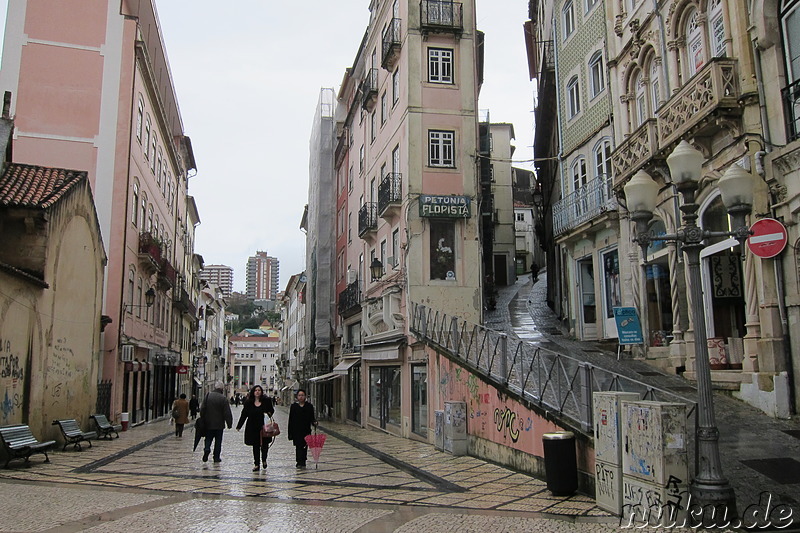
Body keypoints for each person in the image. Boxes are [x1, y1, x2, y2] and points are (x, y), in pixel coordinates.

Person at [236, 385, 275, 472]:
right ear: (253, 392)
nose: (257, 392)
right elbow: (244, 415)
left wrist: (268, 414)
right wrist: (239, 426)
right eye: (256, 390)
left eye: (259, 390)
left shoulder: (266, 401)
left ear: (261, 392)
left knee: (265, 445)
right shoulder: (248, 403)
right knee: (255, 446)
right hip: (252, 427)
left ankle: (264, 459)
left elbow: (271, 410)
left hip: (264, 426)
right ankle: (257, 464)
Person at [199, 381, 233, 463]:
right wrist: (229, 423)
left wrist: (202, 417)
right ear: (221, 389)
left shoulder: (208, 396)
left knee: (208, 438)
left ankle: (207, 448)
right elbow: (227, 413)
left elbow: (202, 408)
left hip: (208, 423)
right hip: (219, 425)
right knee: (218, 441)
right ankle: (216, 457)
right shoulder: (223, 398)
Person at [287, 389, 317, 468]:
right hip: (296, 430)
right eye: (299, 395)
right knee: (298, 446)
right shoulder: (294, 406)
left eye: (302, 395)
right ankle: (299, 461)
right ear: (297, 397)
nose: (301, 397)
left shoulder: (309, 406)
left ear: (305, 396)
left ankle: (303, 460)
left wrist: (314, 423)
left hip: (306, 430)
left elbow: (312, 418)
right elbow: (291, 419)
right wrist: (290, 433)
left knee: (305, 446)